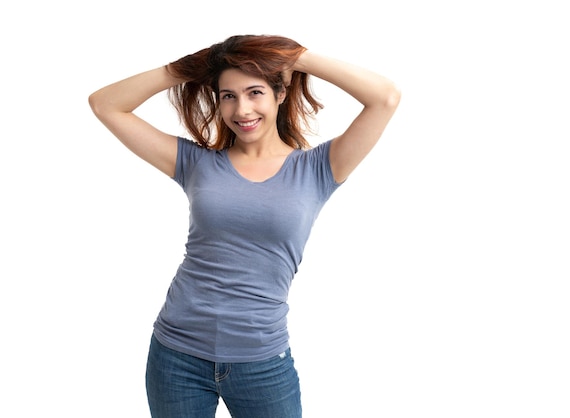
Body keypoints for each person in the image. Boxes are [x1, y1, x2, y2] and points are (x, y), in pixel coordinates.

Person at [89, 34, 400, 418]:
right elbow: (105, 105)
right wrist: (183, 68)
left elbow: (384, 97)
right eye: (228, 96)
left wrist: (294, 56)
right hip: (176, 355)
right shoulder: (196, 163)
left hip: (262, 361)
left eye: (255, 92)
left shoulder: (319, 169)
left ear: (280, 92)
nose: (242, 108)